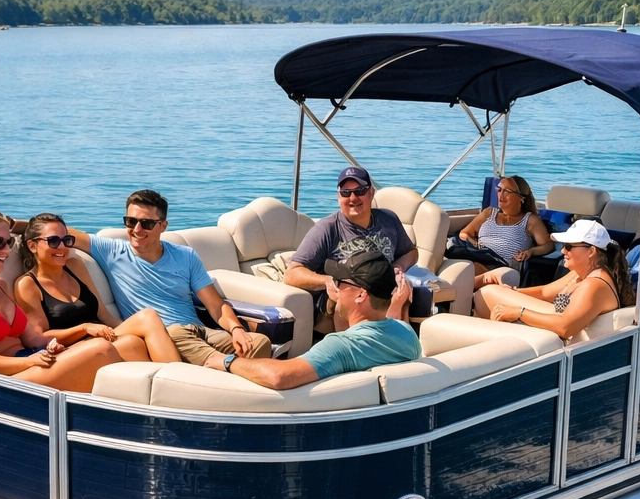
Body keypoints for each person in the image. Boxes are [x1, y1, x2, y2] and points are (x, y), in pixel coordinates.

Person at [59, 189, 272, 365]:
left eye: (146, 224)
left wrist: (236, 330)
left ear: (163, 226)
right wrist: (27, 228)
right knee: (178, 334)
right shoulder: (112, 250)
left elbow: (216, 306)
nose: (137, 229)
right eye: (130, 221)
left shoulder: (185, 256)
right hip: (165, 336)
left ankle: (223, 368)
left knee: (259, 342)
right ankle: (224, 365)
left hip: (200, 332)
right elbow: (63, 232)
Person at [0, 208, 122, 393]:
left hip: (30, 359)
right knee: (100, 350)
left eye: (9, 242)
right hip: (3, 379)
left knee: (129, 344)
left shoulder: (0, 284)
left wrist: (73, 336)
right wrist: (28, 361)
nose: (7, 250)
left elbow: (34, 339)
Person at [203, 249, 417, 389]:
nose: (334, 286)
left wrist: (228, 361)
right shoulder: (407, 334)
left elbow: (280, 377)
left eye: (339, 281)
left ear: (361, 295)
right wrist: (397, 306)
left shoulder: (341, 347)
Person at [12, 212, 180, 364]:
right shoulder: (27, 285)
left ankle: (176, 379)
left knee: (146, 319)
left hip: (100, 337)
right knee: (131, 342)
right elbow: (38, 339)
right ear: (32, 246)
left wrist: (133, 330)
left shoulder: (75, 266)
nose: (62, 247)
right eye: (53, 241)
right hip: (73, 349)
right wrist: (84, 328)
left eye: (66, 240)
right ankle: (174, 383)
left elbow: (104, 315)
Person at [285, 166, 419, 330]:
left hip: (383, 285)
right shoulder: (327, 229)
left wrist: (398, 268)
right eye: (346, 193)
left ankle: (398, 345)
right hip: (348, 293)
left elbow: (411, 252)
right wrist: (327, 281)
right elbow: (292, 274)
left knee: (403, 288)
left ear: (372, 192)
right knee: (351, 295)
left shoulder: (389, 219)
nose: (353, 198)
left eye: (360, 191)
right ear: (338, 197)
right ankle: (357, 347)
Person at [473, 220, 631, 341]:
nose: (563, 250)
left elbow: (565, 327)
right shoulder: (580, 275)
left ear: (591, 251)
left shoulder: (595, 284)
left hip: (555, 341)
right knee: (489, 295)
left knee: (486, 294)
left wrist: (518, 312)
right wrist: (513, 292)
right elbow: (544, 292)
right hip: (548, 332)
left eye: (569, 246)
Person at [454, 175, 554, 287]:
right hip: (479, 257)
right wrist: (473, 243)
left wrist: (530, 252)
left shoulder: (530, 220)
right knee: (457, 265)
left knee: (463, 271)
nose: (501, 195)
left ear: (521, 198)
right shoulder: (489, 213)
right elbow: (464, 233)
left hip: (502, 266)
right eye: (499, 190)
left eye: (507, 191)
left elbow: (548, 245)